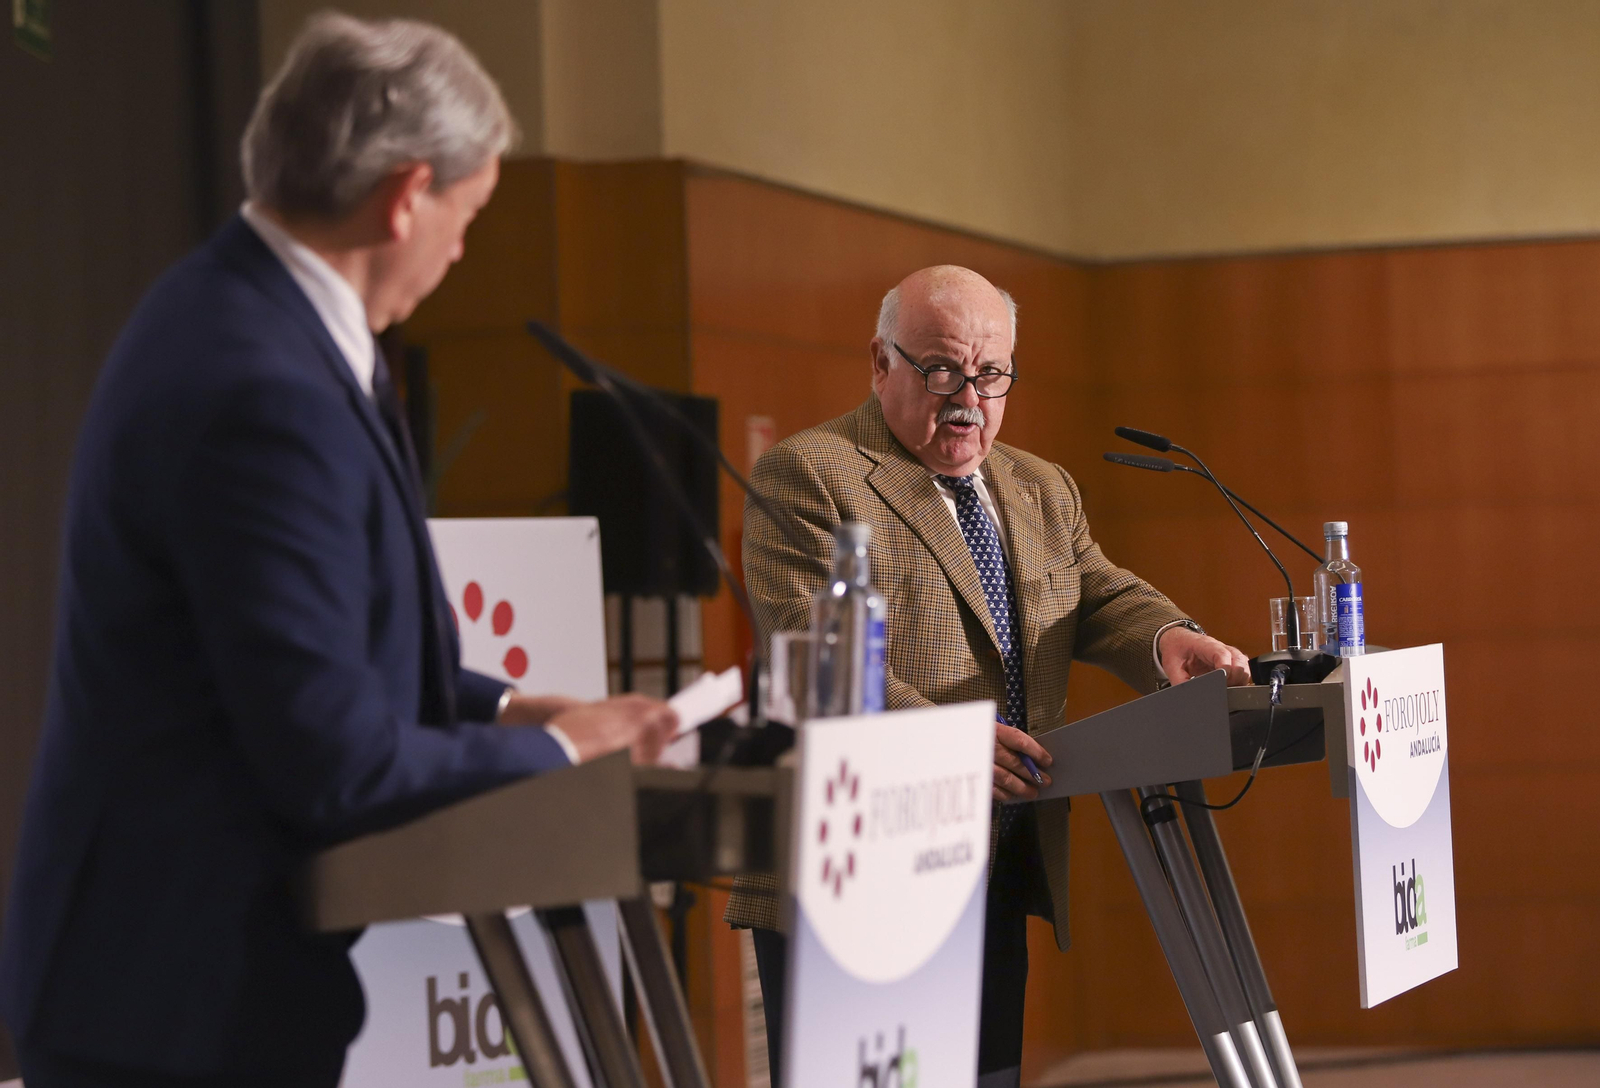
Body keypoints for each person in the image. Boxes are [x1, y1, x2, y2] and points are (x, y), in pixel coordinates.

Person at [0, 14, 676, 1087]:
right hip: (171, 1002)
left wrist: (511, 709)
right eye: (470, 215)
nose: (461, 249)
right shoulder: (260, 382)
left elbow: (306, 649)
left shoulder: (257, 318)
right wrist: (565, 755)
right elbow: (335, 759)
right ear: (409, 194)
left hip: (182, 977)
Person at [726, 265, 1251, 1088]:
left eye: (991, 373)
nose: (967, 397)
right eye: (940, 370)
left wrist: (1169, 637)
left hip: (992, 850)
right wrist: (944, 742)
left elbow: (1097, 592)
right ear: (880, 362)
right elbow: (812, 659)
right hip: (857, 868)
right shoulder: (811, 477)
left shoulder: (1039, 485)